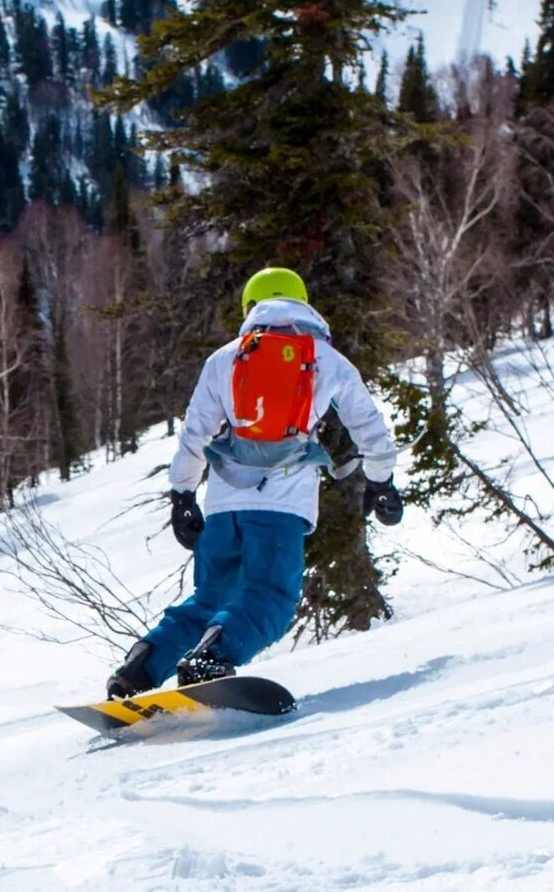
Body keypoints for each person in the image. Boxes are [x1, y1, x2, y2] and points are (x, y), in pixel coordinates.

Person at [108, 267, 404, 698]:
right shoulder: (324, 358)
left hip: (225, 505)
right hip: (282, 505)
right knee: (271, 597)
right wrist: (381, 483)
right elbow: (370, 430)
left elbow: (195, 435)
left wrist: (183, 494)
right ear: (302, 302)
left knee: (210, 598)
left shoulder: (224, 359)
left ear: (251, 308)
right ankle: (211, 659)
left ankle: (139, 669)